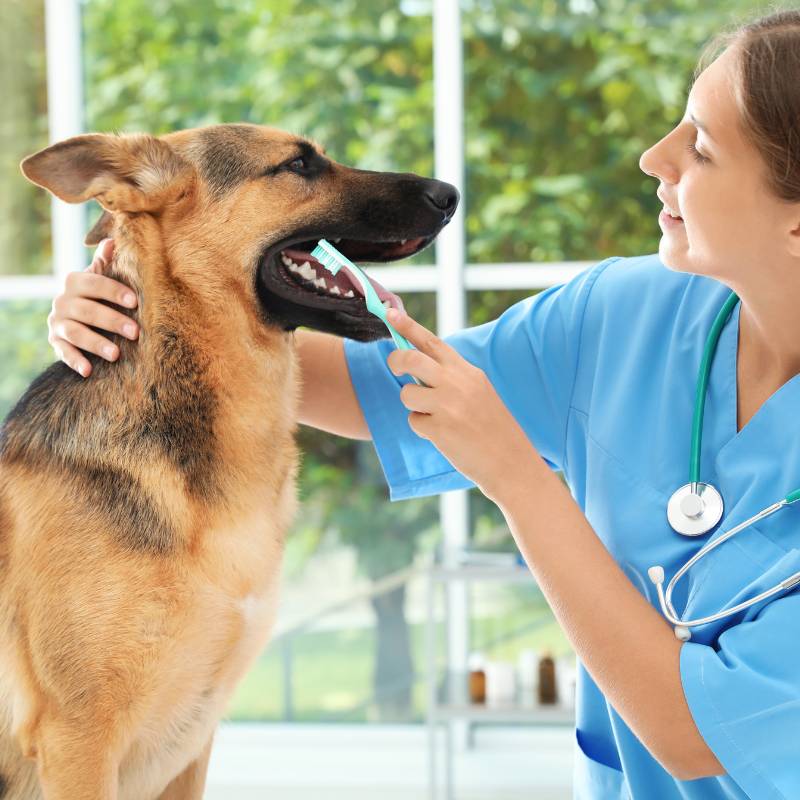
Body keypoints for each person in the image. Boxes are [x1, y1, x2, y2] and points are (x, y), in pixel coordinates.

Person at [45, 9, 800, 799]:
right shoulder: (628, 314)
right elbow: (374, 386)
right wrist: (145, 306)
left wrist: (515, 476)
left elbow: (690, 733)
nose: (655, 156)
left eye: (703, 147)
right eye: (679, 122)